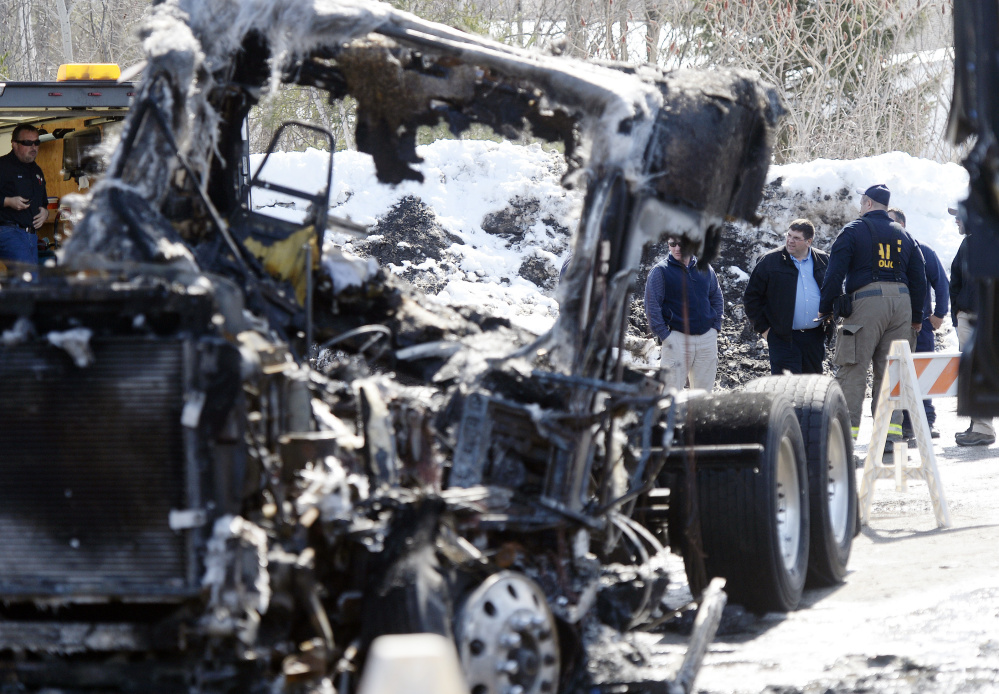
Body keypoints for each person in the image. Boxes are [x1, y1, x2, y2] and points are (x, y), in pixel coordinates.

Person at [818, 184, 926, 444]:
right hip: (901, 304)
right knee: (892, 370)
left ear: (867, 203)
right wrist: (916, 317)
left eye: (861, 201)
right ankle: (890, 437)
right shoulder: (904, 234)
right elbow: (919, 278)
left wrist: (826, 308)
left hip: (866, 303)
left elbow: (834, 273)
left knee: (853, 367)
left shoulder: (853, 231)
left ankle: (845, 438)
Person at [886, 207, 949, 440]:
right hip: (891, 326)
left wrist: (939, 315)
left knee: (923, 373)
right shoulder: (882, 254)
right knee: (896, 375)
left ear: (902, 225)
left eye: (891, 222)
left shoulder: (922, 250)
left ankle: (926, 422)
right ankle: (902, 424)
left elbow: (941, 283)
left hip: (920, 326)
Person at [743, 218, 829, 374]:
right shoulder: (770, 261)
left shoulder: (823, 260)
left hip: (814, 339)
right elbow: (751, 298)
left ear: (809, 241)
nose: (790, 241)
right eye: (789, 235)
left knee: (813, 390)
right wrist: (765, 330)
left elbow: (832, 291)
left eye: (796, 238)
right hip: (783, 339)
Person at [644, 236, 723, 391]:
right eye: (672, 244)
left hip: (707, 340)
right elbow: (652, 307)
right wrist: (666, 336)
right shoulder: (660, 272)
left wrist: (716, 327)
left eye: (682, 244)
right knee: (669, 396)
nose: (677, 248)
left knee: (703, 397)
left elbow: (716, 296)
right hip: (677, 340)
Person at [949, 207, 995, 446]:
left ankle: (983, 428)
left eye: (961, 216)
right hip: (968, 318)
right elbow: (955, 280)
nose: (957, 220)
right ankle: (979, 425)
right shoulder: (967, 245)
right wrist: (956, 311)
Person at [0, 124, 47, 265]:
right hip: (9, 231)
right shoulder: (2, 166)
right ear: (14, 144)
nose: (33, 147)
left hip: (31, 235)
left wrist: (45, 212)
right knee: (28, 279)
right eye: (27, 143)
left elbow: (43, 200)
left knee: (31, 281)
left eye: (36, 142)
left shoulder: (37, 170)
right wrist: (7, 201)